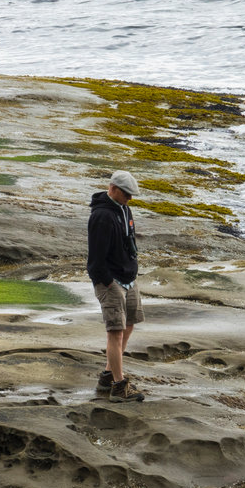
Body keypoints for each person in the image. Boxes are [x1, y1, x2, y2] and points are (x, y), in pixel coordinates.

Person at [87, 170, 145, 402]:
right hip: (110, 281)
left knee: (129, 325)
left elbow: (128, 241)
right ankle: (119, 387)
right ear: (113, 189)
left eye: (132, 195)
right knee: (115, 332)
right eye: (126, 194)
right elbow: (96, 257)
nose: (130, 199)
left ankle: (108, 375)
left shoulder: (124, 208)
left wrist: (131, 270)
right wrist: (107, 281)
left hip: (128, 278)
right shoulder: (101, 216)